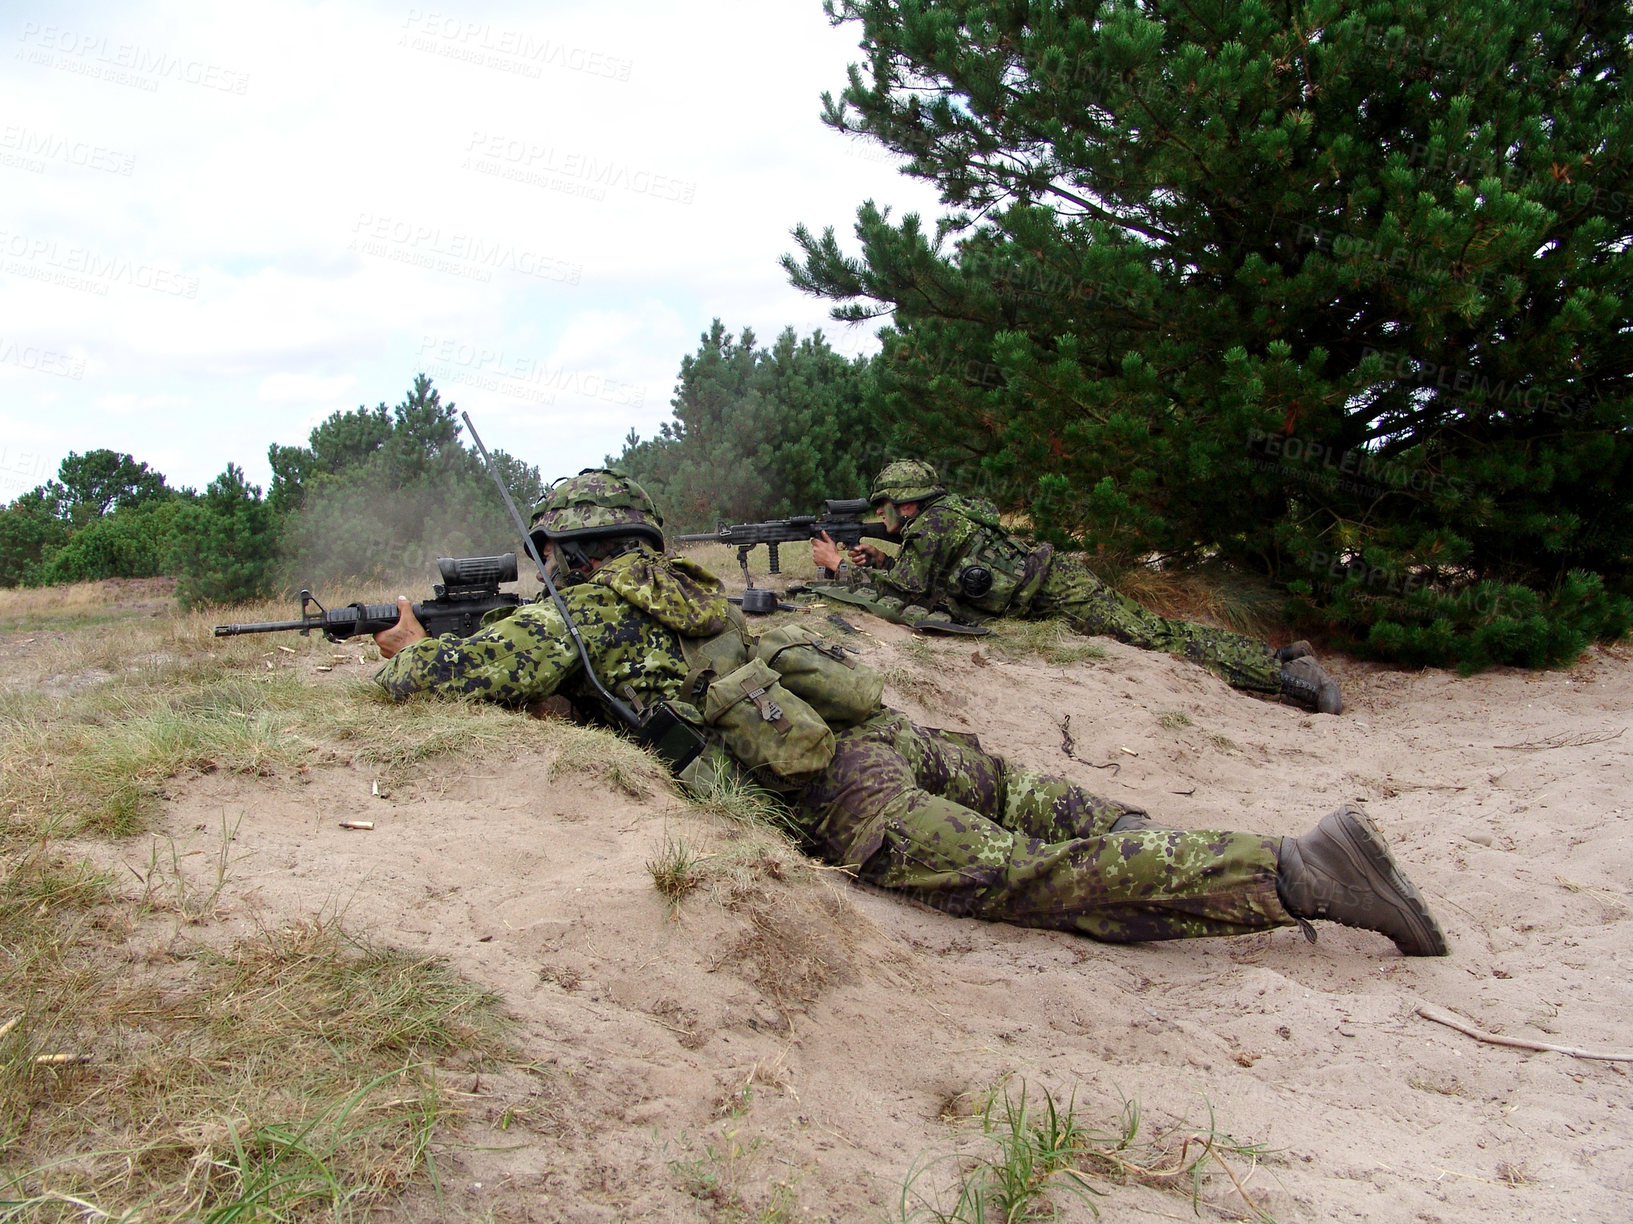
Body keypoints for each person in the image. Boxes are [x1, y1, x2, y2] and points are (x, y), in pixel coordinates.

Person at [374, 468, 1446, 956]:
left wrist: (411, 649)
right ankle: (1176, 855)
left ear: (561, 554)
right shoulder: (690, 590)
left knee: (1022, 875)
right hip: (891, 736)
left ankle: (1301, 871)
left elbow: (424, 689)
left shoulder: (581, 615)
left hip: (847, 786)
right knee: (1053, 807)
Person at [810, 460, 1343, 714]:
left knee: (1155, 640)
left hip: (1058, 590)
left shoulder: (934, 525)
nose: (880, 515)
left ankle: (1289, 678)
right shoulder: (941, 519)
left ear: (906, 505)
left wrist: (839, 566)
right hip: (1050, 585)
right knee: (1155, 631)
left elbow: (906, 596)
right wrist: (878, 558)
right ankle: (1281, 654)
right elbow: (923, 583)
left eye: (883, 506)